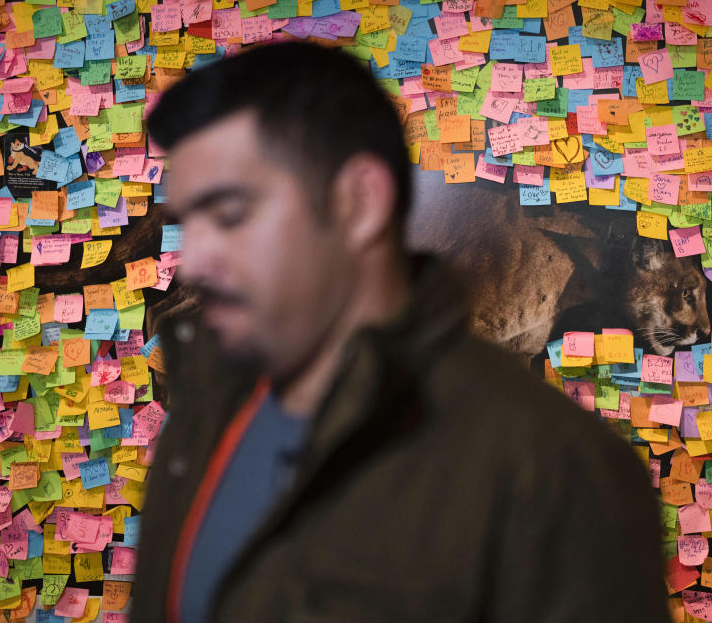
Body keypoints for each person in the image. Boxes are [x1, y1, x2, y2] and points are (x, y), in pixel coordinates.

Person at [132, 41, 670, 623]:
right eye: (191, 220)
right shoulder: (202, 422)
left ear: (360, 202)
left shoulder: (556, 473)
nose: (195, 261)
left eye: (231, 213)